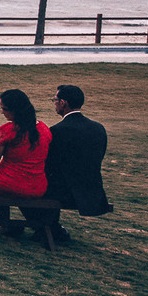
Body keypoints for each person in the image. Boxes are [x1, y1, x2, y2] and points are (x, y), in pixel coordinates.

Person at [23, 85, 113, 245]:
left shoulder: (58, 131)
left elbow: (48, 164)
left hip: (65, 191)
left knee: (25, 188)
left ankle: (45, 227)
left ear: (63, 103)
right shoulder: (98, 129)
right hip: (92, 189)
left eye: (55, 100)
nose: (54, 103)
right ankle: (50, 227)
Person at [0, 89, 51, 235]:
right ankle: (22, 224)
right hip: (37, 185)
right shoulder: (44, 129)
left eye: (4, 109)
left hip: (10, 182)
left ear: (15, 110)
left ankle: (6, 221)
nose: (2, 112)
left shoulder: (9, 130)